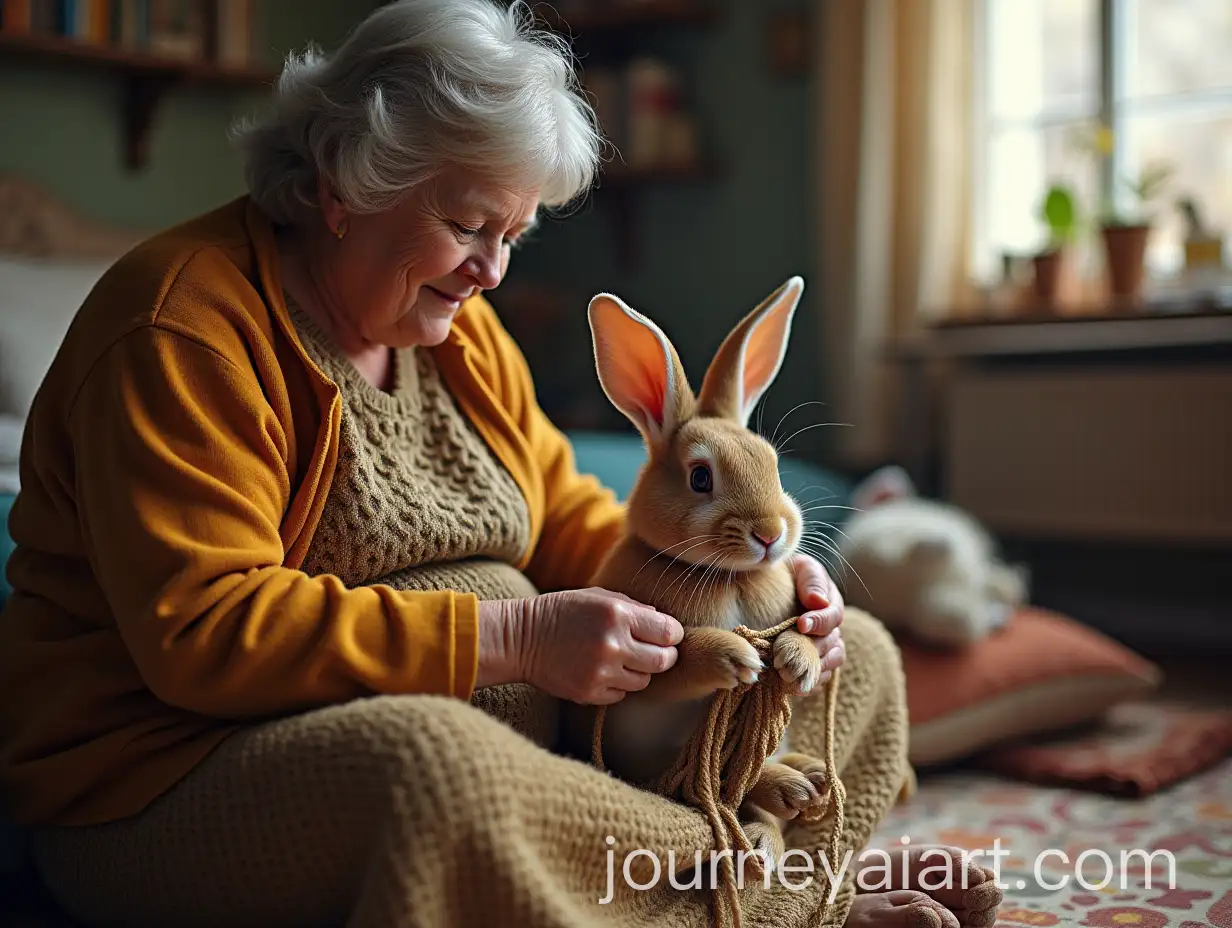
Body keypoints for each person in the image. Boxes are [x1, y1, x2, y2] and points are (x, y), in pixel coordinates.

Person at [0, 2, 1001, 926]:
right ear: (347, 185)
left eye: (512, 234)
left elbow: (566, 517)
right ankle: (791, 892)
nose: (492, 272)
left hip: (524, 731)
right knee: (439, 777)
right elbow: (206, 634)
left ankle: (733, 883)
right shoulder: (181, 331)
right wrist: (513, 636)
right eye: (468, 225)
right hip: (171, 776)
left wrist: (751, 581)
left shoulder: (457, 331)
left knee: (856, 651)